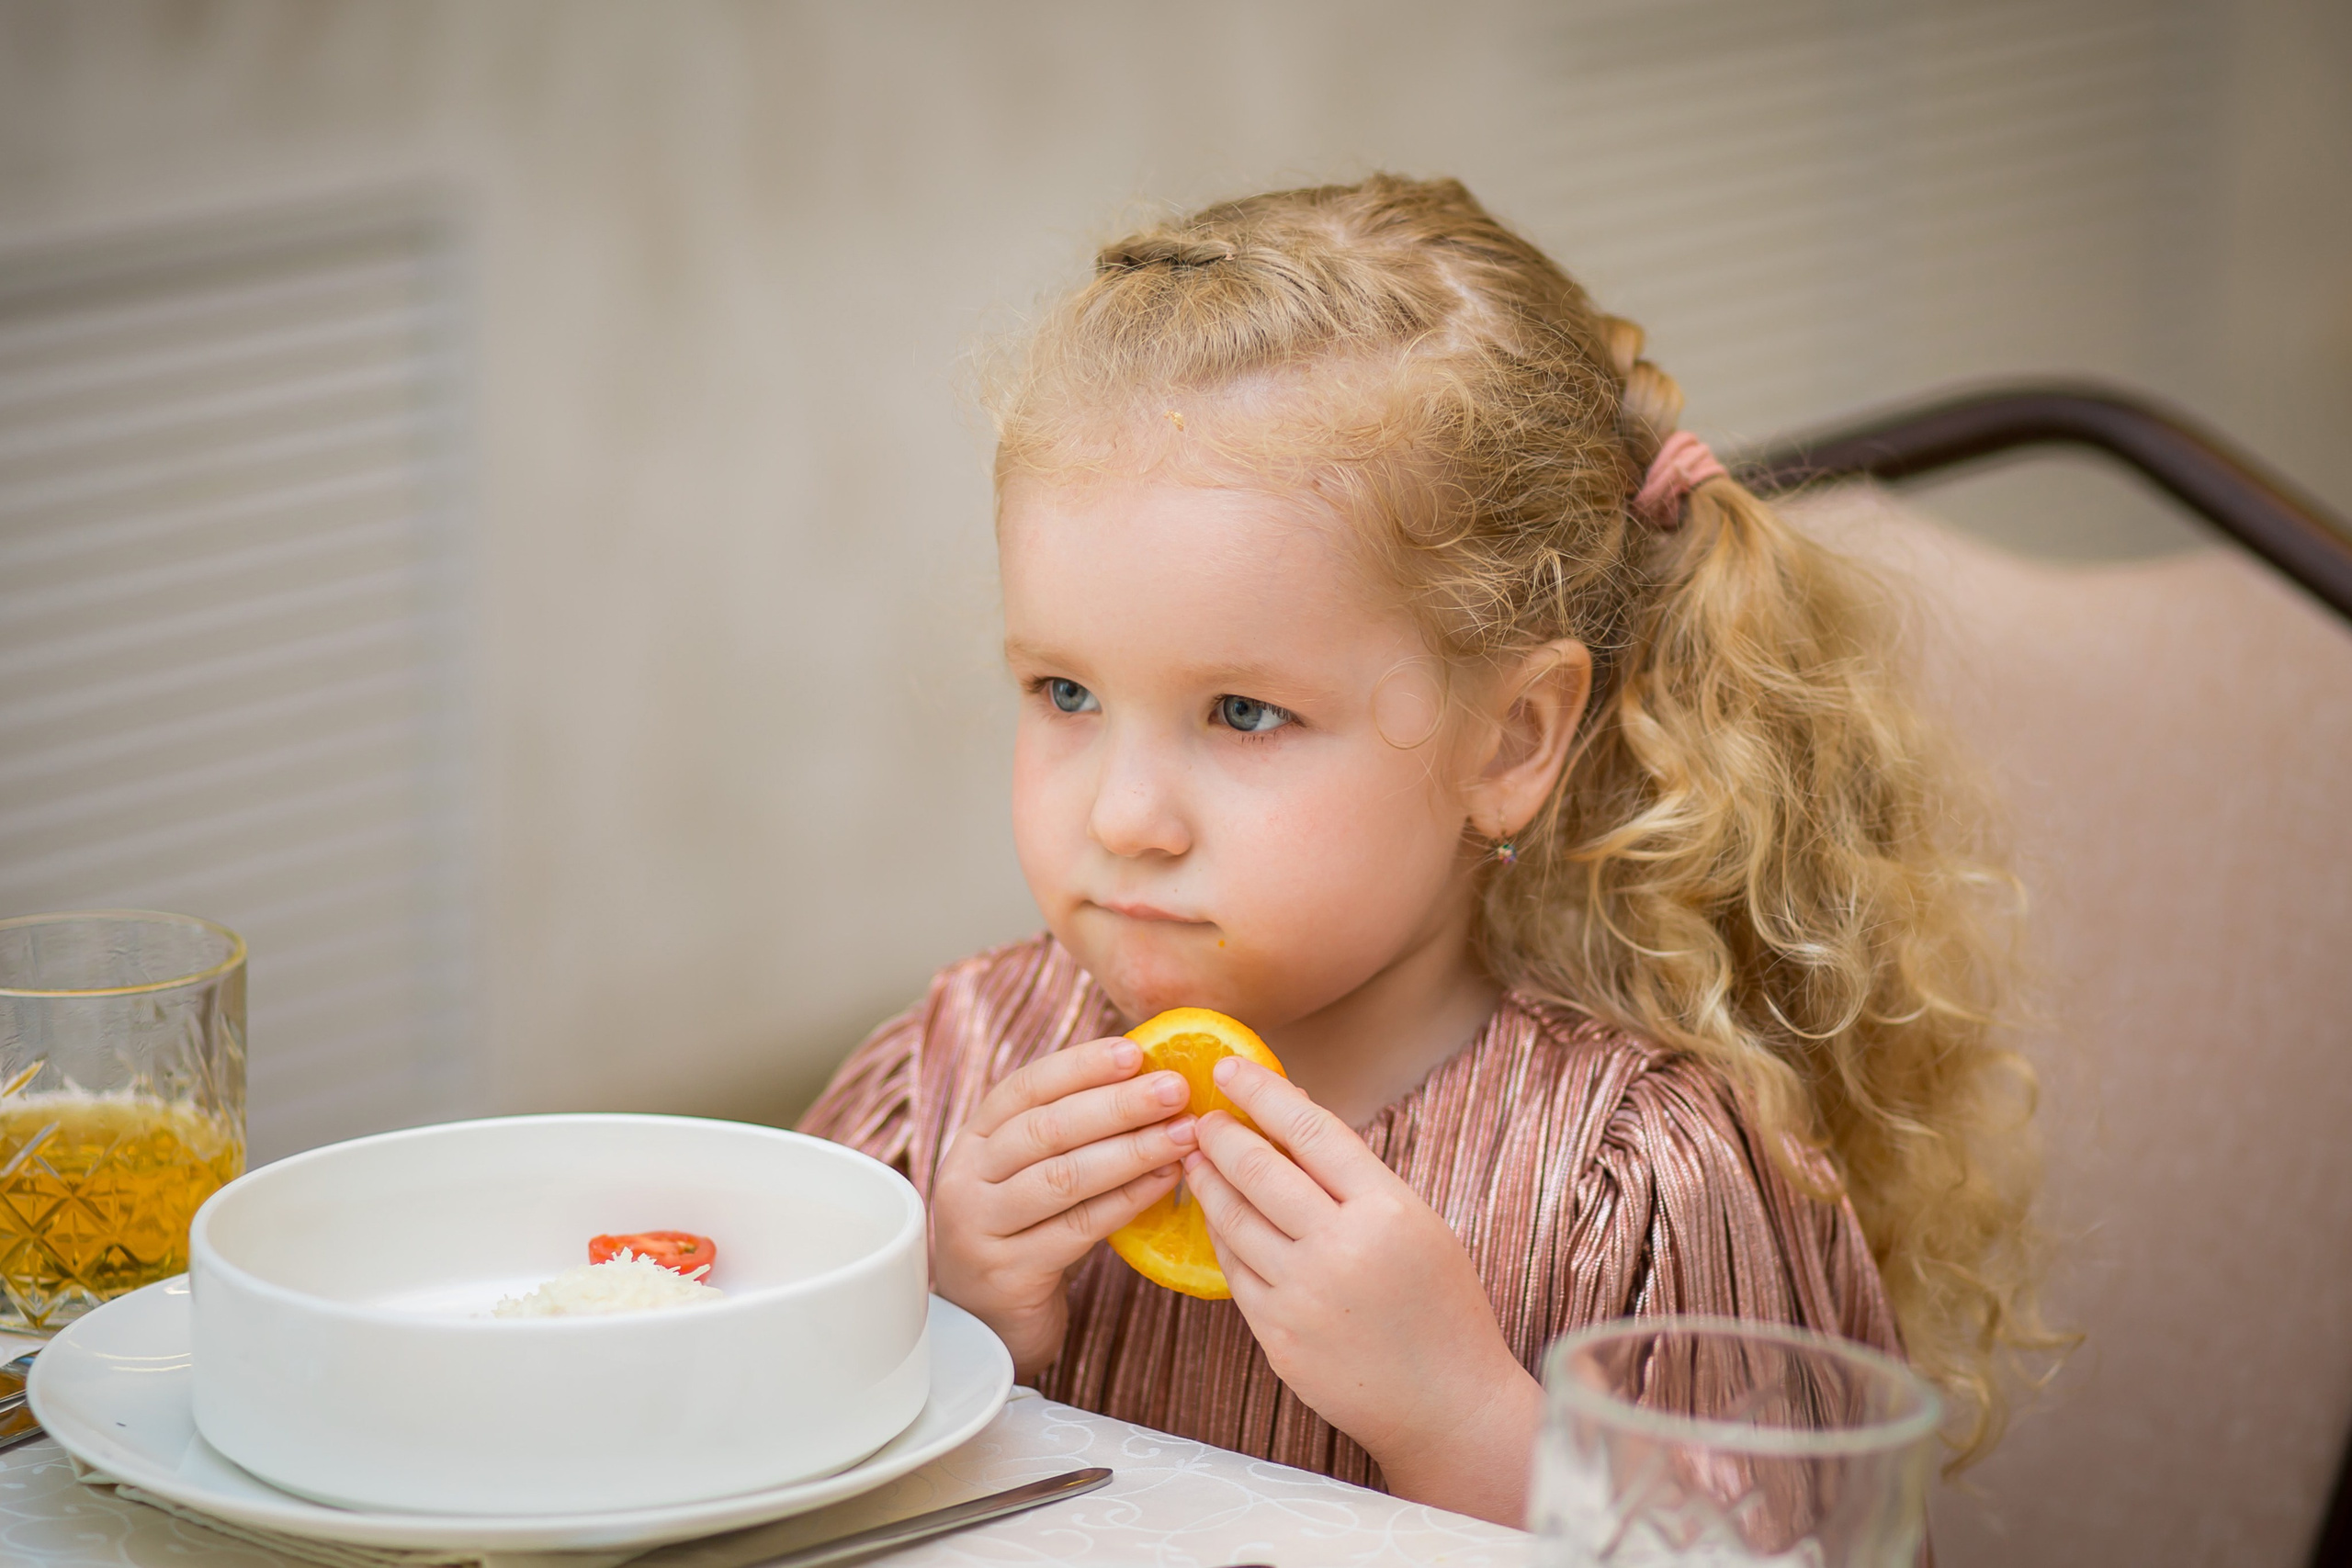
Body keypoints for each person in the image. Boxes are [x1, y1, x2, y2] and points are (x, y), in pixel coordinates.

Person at [801, 174, 2043, 1527]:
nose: (1120, 817)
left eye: (1245, 712)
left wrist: (1462, 1414)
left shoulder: (1633, 1185)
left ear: (1510, 740)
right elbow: (739, 1492)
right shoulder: (951, 1084)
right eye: (1066, 696)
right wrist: (942, 1324)